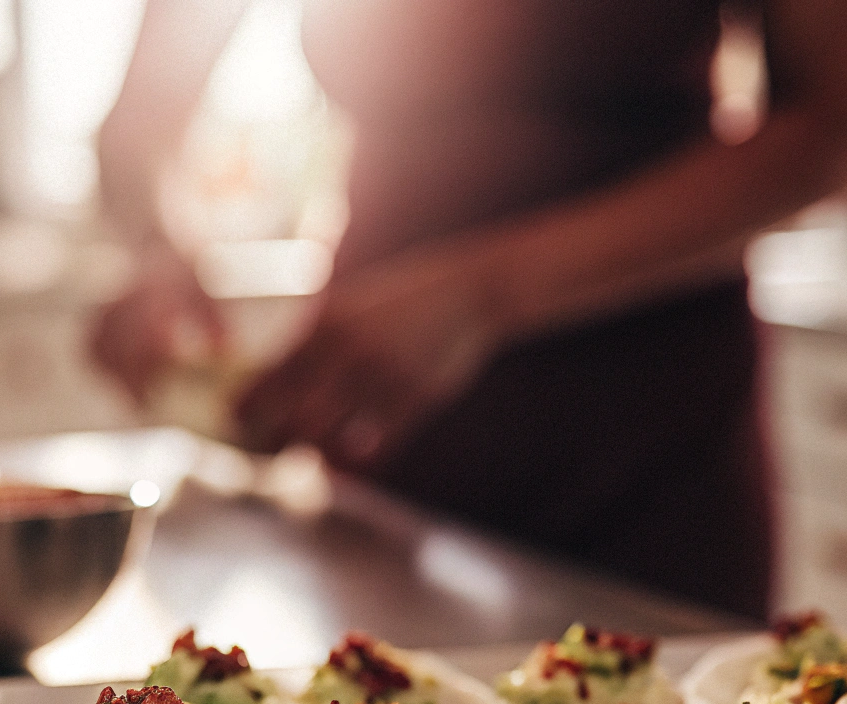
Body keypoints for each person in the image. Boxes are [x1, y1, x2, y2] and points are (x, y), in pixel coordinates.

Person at [91, 0, 847, 621]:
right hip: (385, 426)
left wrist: (484, 293)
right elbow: (142, 120)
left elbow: (826, 135)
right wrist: (159, 248)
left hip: (649, 442)